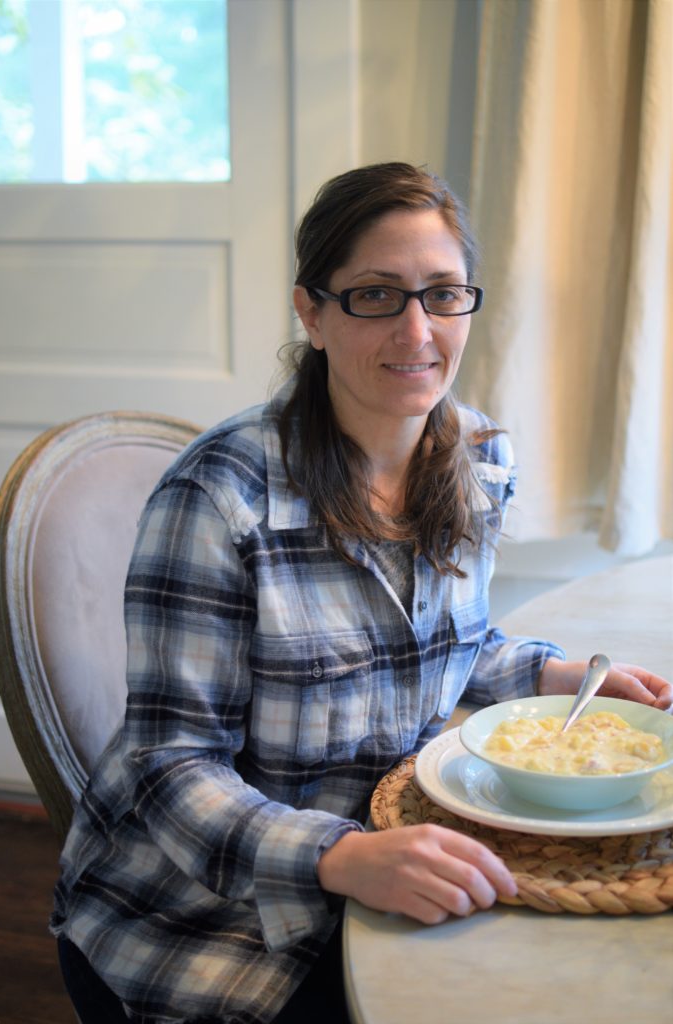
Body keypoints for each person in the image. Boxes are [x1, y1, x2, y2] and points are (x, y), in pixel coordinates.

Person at [51, 162, 672, 1024]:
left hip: (387, 859)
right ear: (311, 312)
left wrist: (548, 675)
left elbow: (431, 640)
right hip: (195, 922)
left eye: (443, 294)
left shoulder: (479, 454)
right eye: (376, 295)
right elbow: (169, 768)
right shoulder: (220, 497)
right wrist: (341, 857)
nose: (417, 331)